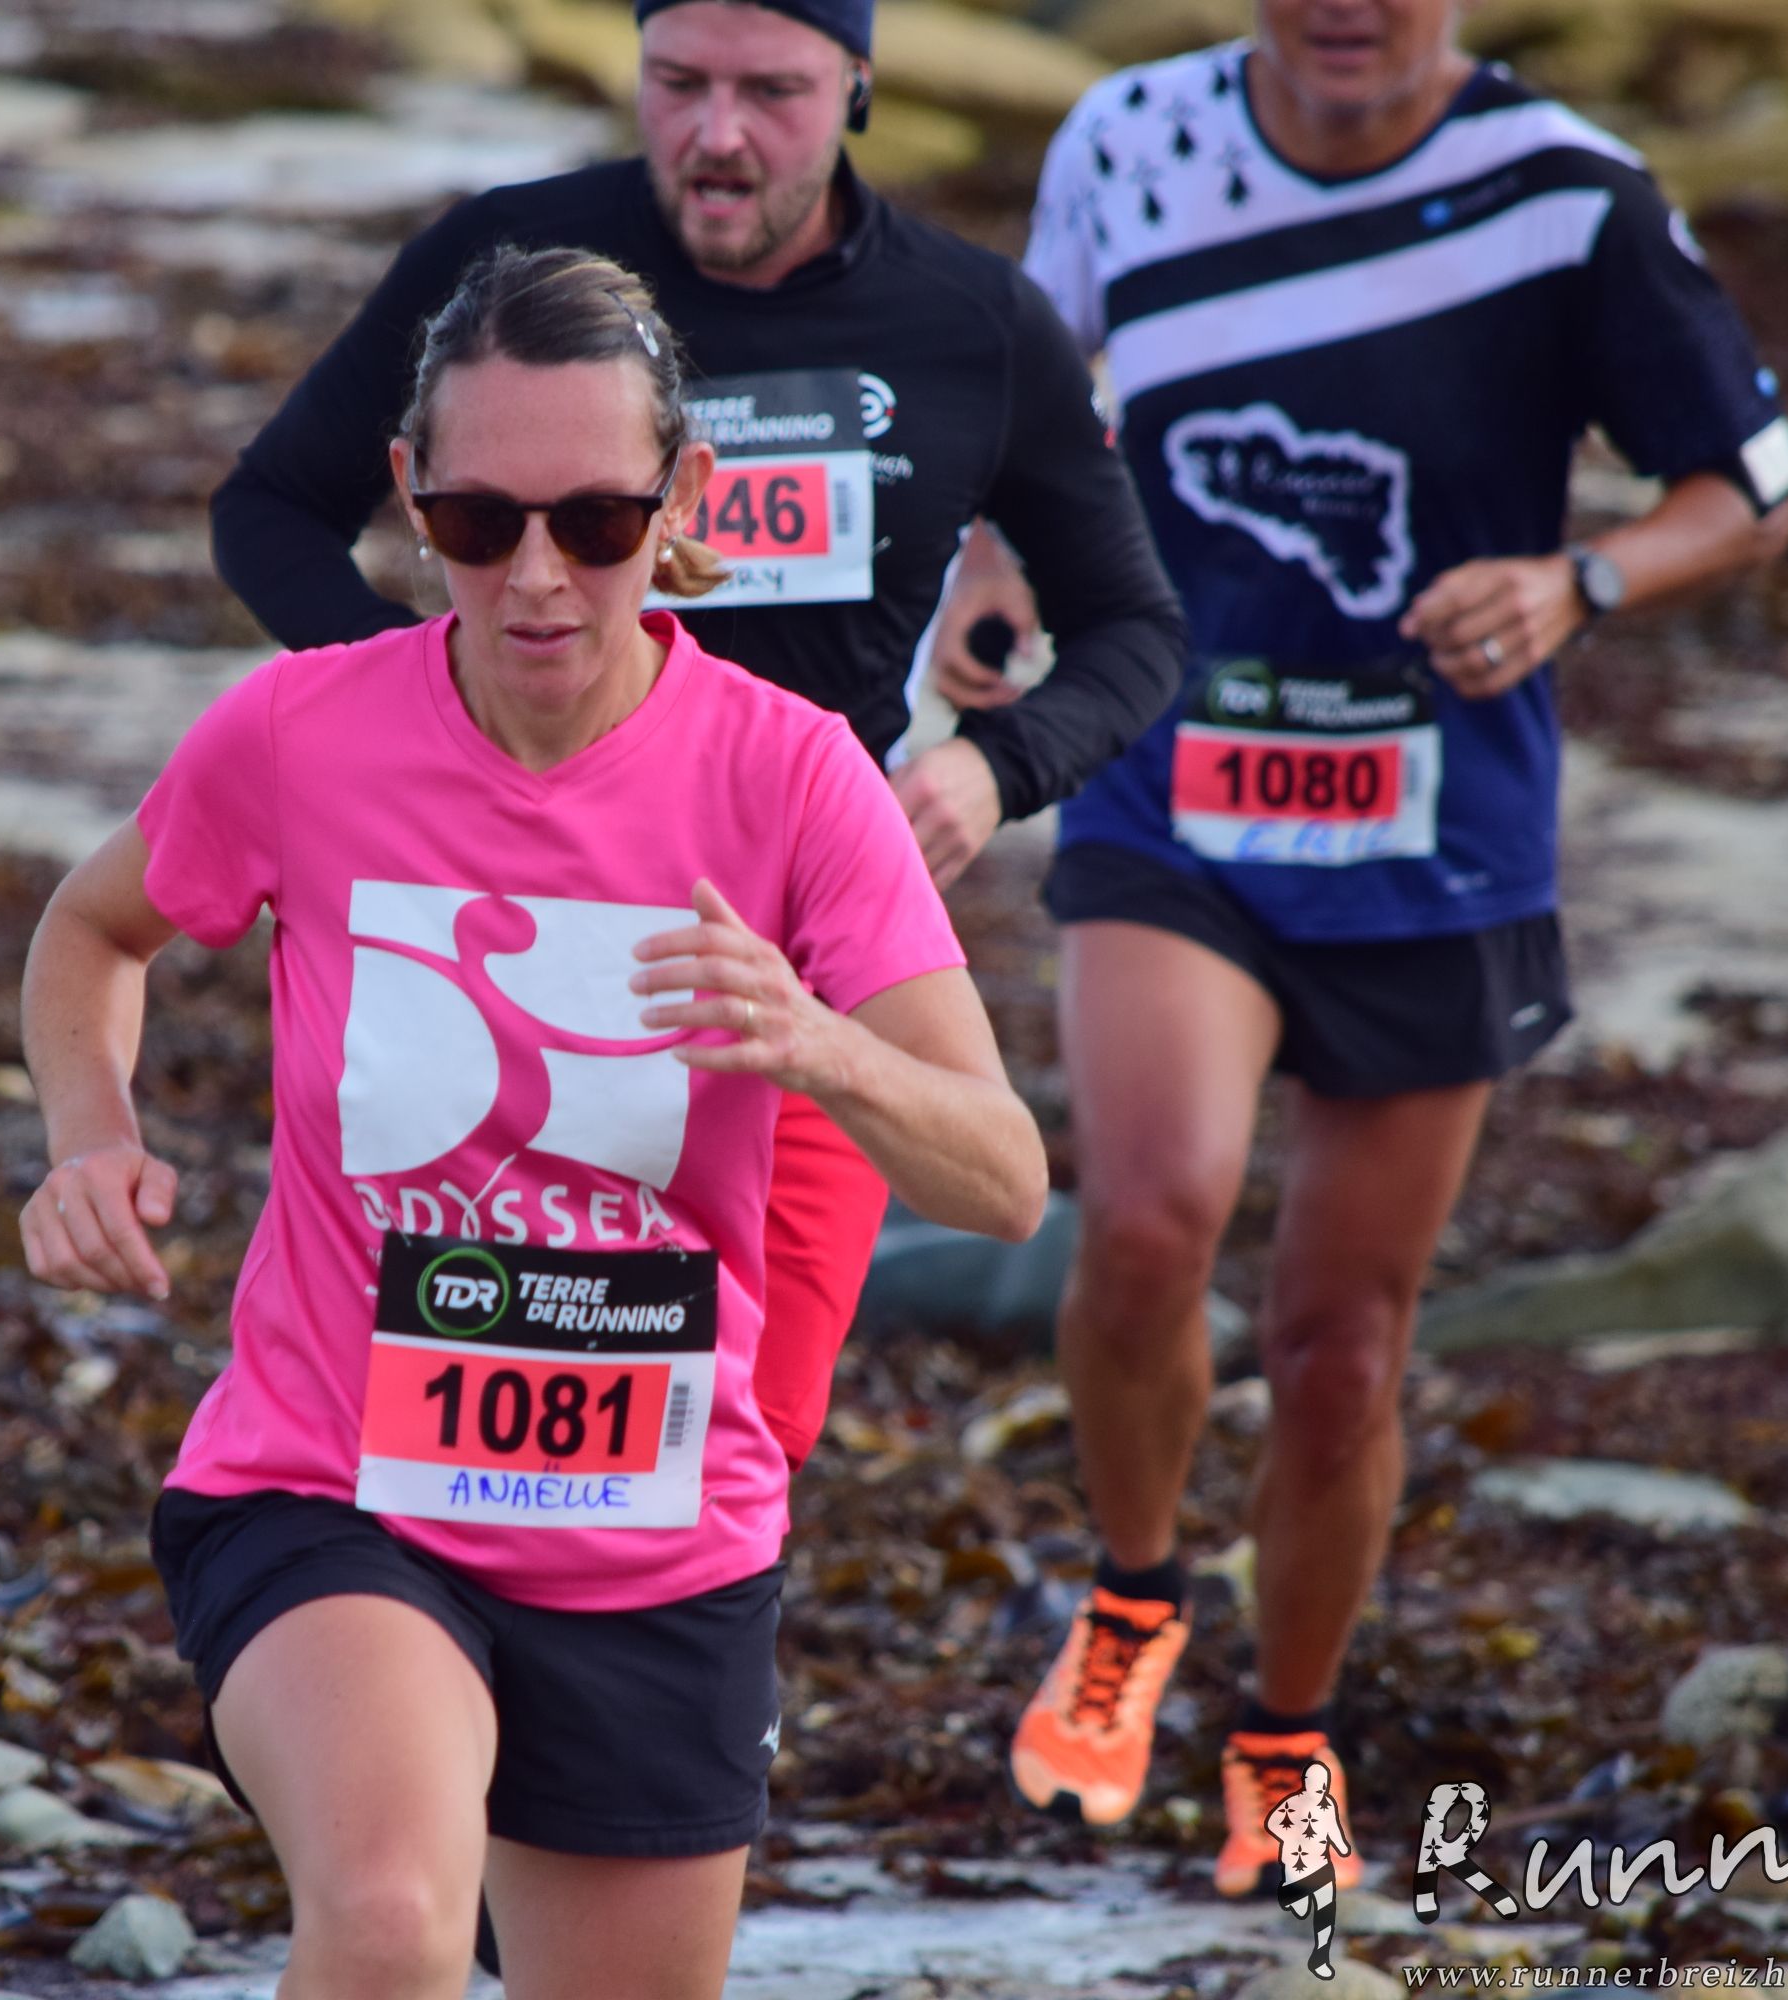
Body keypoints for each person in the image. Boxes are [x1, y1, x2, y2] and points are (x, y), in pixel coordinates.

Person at [23, 246, 1046, 2000]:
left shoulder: (794, 777)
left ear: (684, 499)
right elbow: (91, 931)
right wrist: (86, 1134)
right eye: (482, 523)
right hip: (335, 1490)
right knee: (392, 1919)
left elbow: (1006, 1179)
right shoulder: (302, 734)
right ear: (411, 497)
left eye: (597, 520)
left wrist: (819, 1047)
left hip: (659, 1538)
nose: (542, 576)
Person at [965, 0, 1788, 1898]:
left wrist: (1581, 580)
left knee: (1342, 1351)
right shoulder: (1131, 142)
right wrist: (997, 566)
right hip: (1171, 783)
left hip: (1435, 837)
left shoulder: (1566, 192)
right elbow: (1027, 395)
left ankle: (1288, 1737)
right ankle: (1132, 1598)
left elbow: (1754, 488)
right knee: (1150, 1220)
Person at [211, 0, 1188, 1476]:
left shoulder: (971, 323)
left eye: (771, 92)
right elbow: (270, 508)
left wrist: (989, 770)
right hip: (508, 937)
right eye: (677, 83)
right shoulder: (508, 274)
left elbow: (1135, 628)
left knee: (717, 1449)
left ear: (859, 83)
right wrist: (411, 703)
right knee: (432, 1429)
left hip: (781, 964)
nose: (717, 136)